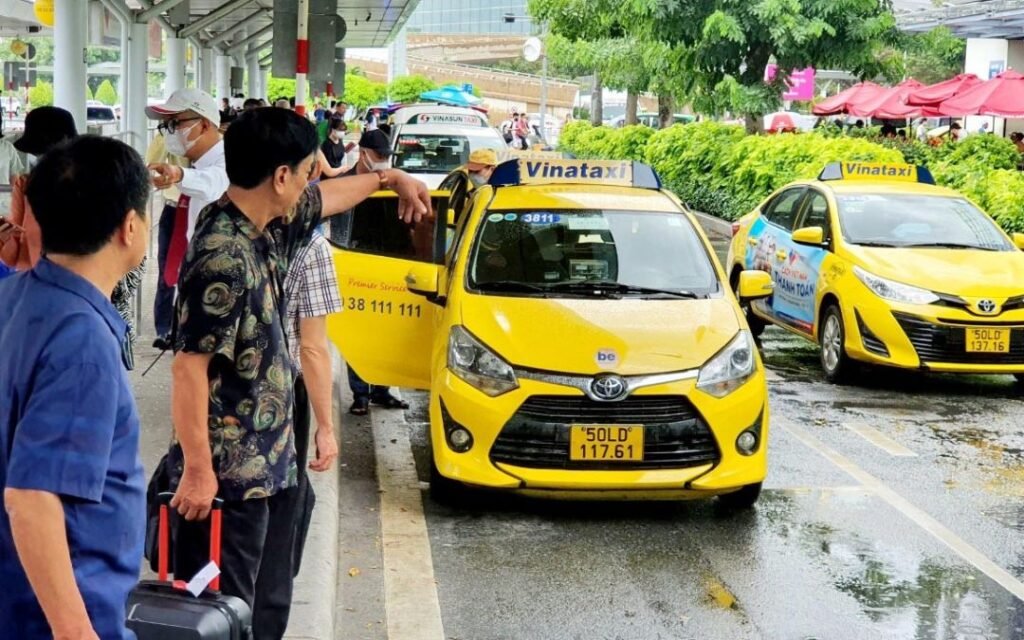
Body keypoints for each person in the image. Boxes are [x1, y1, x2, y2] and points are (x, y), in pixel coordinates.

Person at [167, 107, 429, 639]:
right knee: (228, 612)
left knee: (268, 601)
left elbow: (328, 198)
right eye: (309, 168)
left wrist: (388, 177)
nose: (314, 179)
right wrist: (197, 469)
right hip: (230, 481)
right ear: (280, 176)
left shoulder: (269, 222)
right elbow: (187, 368)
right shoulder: (224, 254)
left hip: (272, 463)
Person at [0, 135, 150, 640]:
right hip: (53, 611)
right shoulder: (82, 340)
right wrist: (76, 632)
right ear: (130, 226)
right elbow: (32, 497)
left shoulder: (13, 296)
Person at [146, 88, 230, 349]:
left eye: (176, 123)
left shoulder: (228, 160)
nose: (169, 132)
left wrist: (179, 175)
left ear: (204, 124)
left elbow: (214, 184)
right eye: (166, 126)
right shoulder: (200, 164)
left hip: (218, 287)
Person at [334, 129, 411, 416]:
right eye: (378, 156)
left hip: (389, 266)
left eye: (386, 157)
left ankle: (381, 390)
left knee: (386, 334)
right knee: (360, 334)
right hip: (356, 266)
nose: (383, 162)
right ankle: (360, 394)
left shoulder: (392, 183)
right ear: (364, 153)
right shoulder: (344, 184)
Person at [283, 230, 342, 573]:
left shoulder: (219, 227)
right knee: (280, 509)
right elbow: (312, 348)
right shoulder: (310, 246)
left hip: (219, 395)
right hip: (282, 396)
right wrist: (326, 427)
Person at [146, 131, 190, 349]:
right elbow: (151, 162)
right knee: (167, 271)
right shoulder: (166, 136)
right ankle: (164, 330)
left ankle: (186, 328)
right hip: (173, 210)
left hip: (200, 211)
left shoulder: (217, 147)